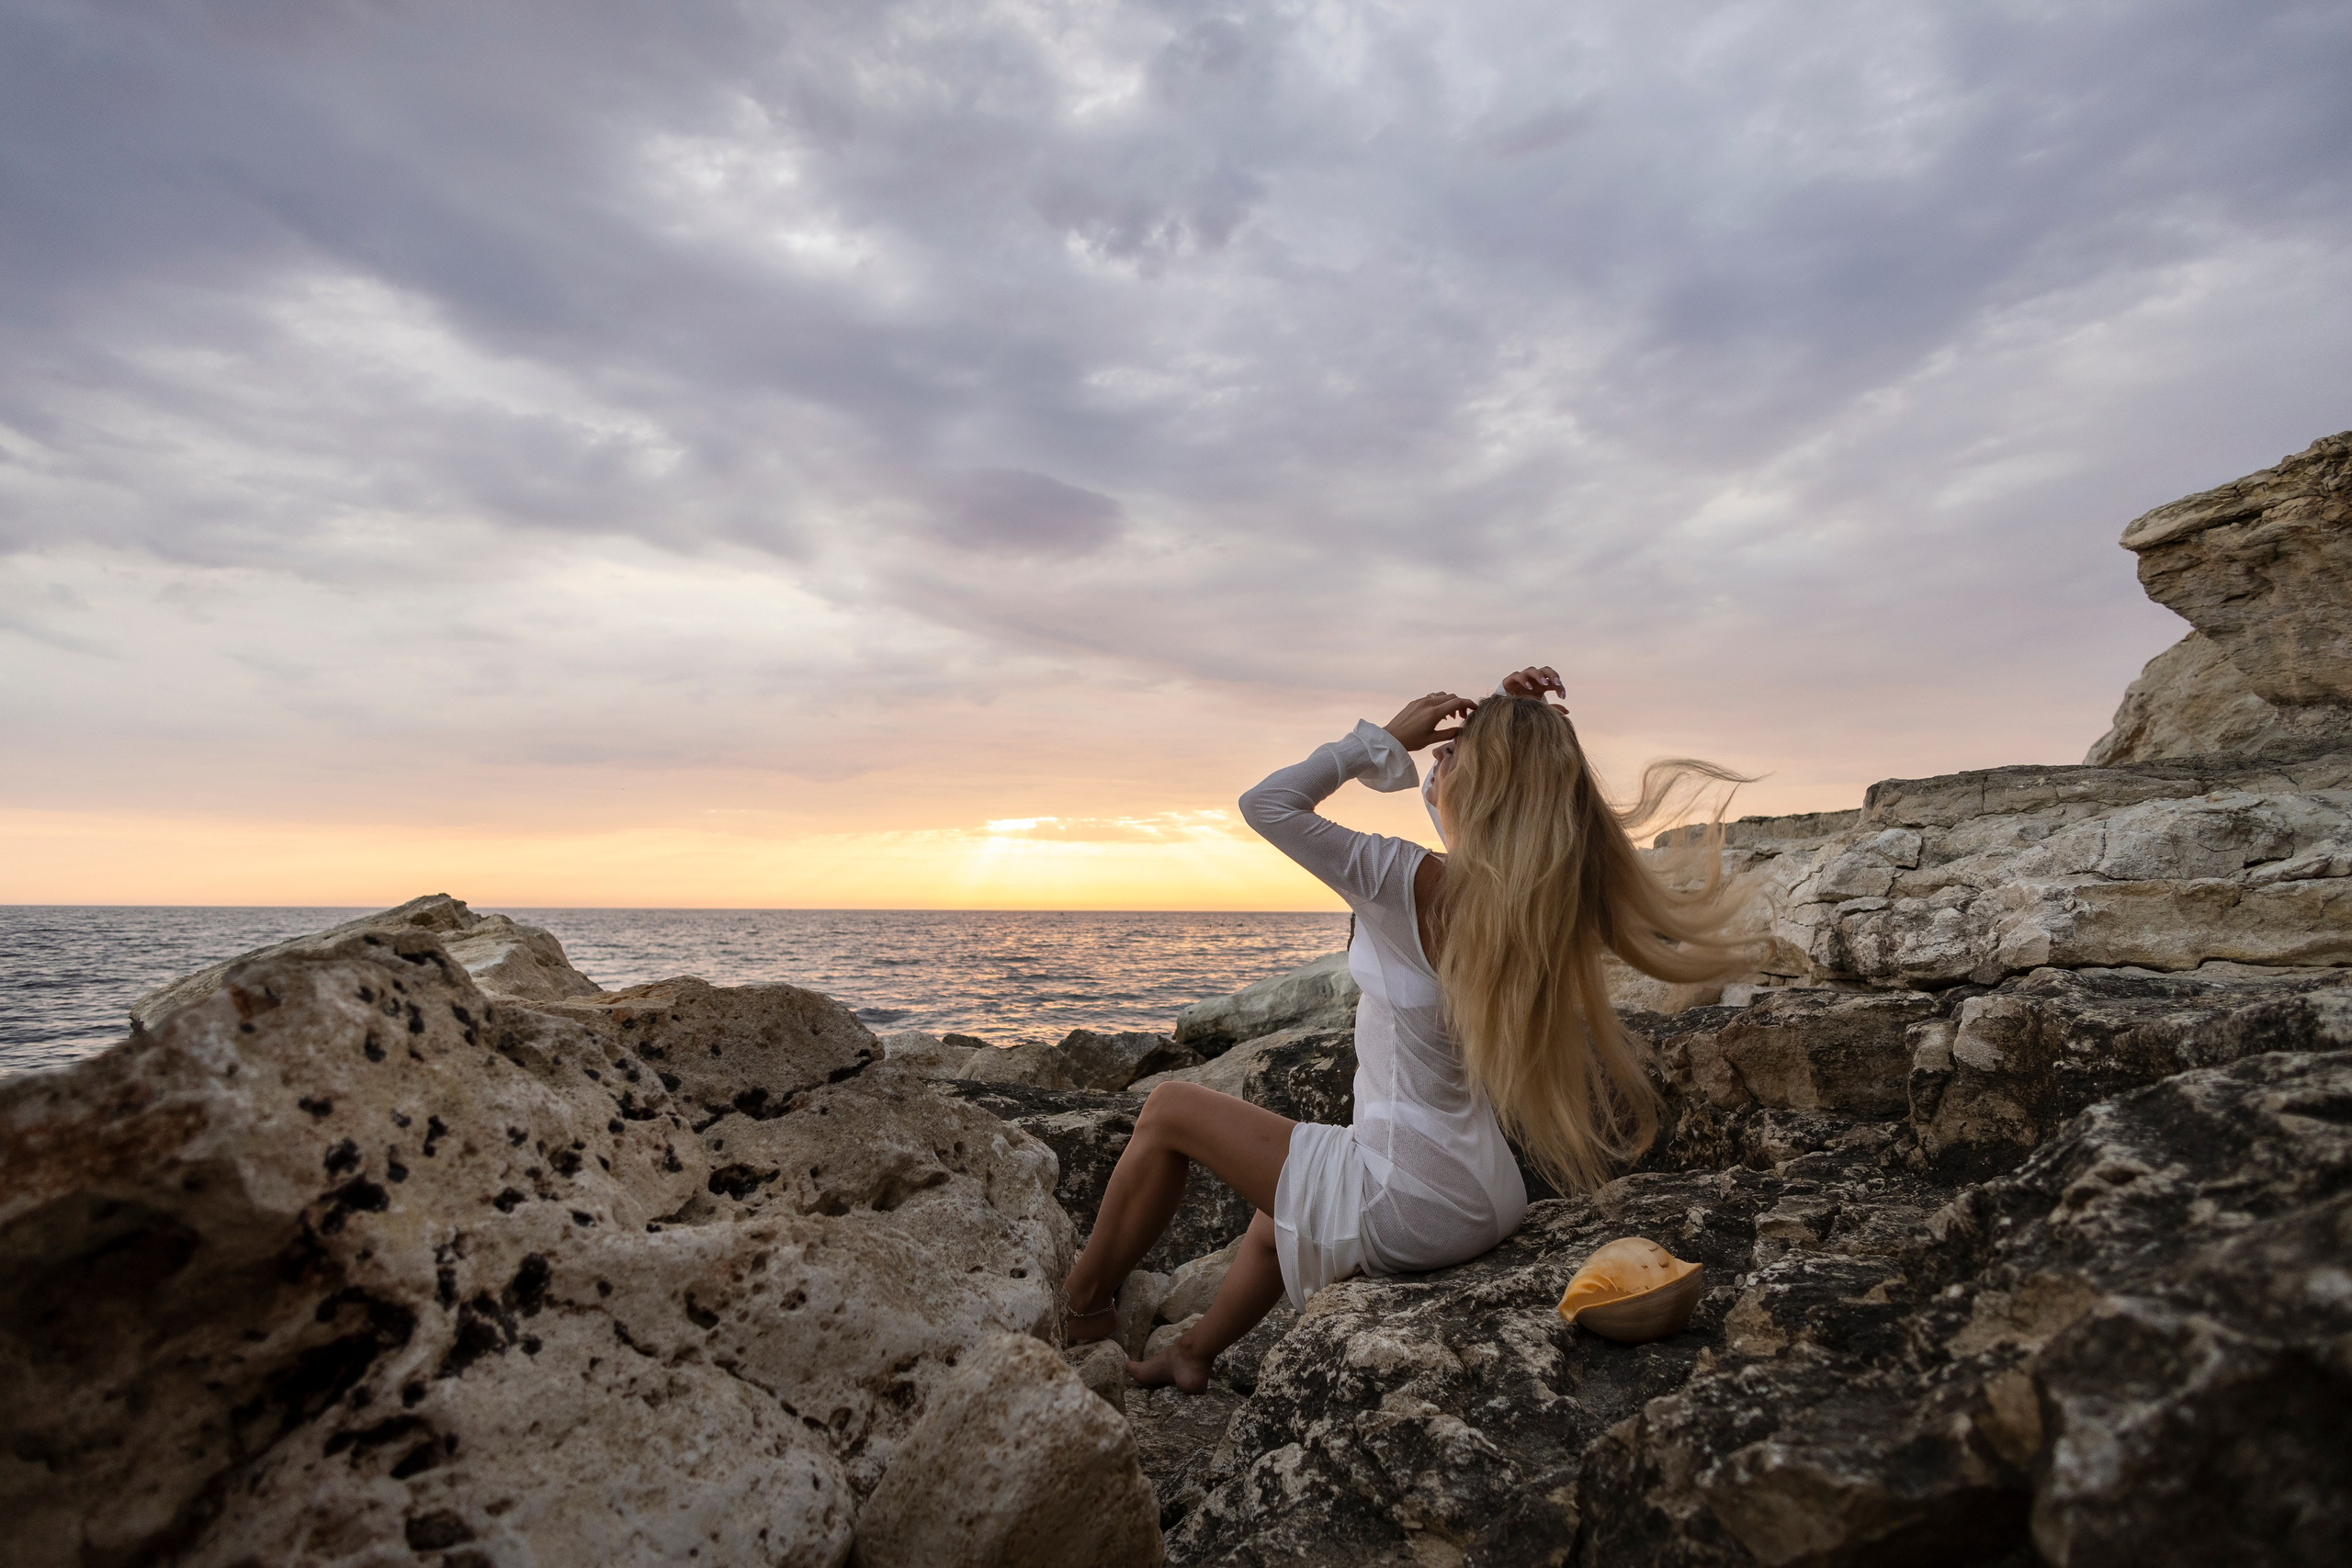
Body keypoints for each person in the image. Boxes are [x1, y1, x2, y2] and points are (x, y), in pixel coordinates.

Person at [1061, 666, 1755, 1393]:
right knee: (1285, 1213)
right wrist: (1510, 721)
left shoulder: (1407, 882)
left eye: (1454, 756)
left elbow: (1265, 804)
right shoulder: (1526, 900)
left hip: (1409, 1198)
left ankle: (1082, 1307)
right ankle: (1191, 1351)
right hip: (1484, 1193)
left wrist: (1379, 741)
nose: (1435, 762)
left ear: (1488, 783)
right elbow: (1477, 817)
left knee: (1170, 1107)